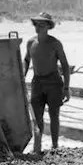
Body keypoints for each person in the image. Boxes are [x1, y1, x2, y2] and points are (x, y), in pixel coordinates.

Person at [23, 12, 70, 153]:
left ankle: (55, 146)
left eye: (42, 24)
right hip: (37, 82)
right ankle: (37, 146)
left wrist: (66, 87)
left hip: (53, 82)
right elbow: (26, 61)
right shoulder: (31, 42)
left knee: (54, 115)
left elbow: (65, 65)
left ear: (48, 27)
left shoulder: (55, 43)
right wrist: (22, 77)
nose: (38, 27)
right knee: (37, 116)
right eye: (37, 24)